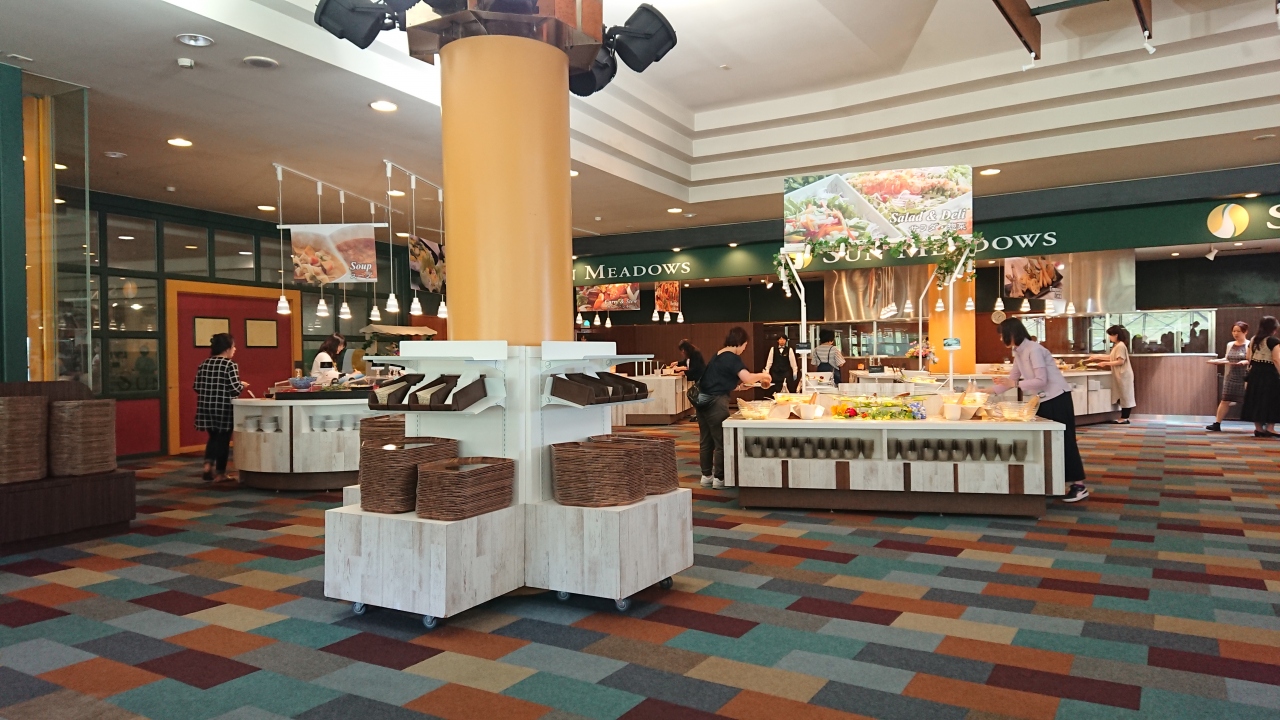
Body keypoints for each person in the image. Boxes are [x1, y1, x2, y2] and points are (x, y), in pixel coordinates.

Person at [991, 318, 1088, 502]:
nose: (1001, 339)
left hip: (1058, 398)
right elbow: (1012, 379)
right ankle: (1055, 482)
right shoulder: (1018, 351)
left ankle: (1079, 485)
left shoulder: (1034, 349)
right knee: (1048, 442)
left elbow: (1040, 380)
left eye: (1002, 335)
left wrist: (1014, 384)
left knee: (1064, 441)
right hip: (1043, 400)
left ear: (1012, 333)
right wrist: (985, 391)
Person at [694, 327, 771, 489]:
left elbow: (717, 381)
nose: (744, 349)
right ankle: (720, 478)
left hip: (701, 401)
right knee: (722, 440)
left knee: (706, 440)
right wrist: (764, 375)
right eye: (745, 346)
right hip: (716, 403)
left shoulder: (718, 355)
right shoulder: (732, 357)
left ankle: (706, 476)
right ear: (740, 342)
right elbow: (747, 377)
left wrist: (740, 388)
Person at [194, 333, 247, 483]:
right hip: (224, 408)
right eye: (233, 346)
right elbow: (234, 389)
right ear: (227, 348)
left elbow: (196, 386)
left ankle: (207, 465)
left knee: (213, 437)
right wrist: (242, 384)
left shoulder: (204, 364)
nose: (235, 349)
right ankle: (220, 473)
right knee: (223, 440)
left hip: (205, 407)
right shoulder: (229, 365)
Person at [1086, 325, 1136, 424]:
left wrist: (1105, 363)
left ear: (1116, 335)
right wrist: (1097, 357)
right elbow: (1112, 357)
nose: (1109, 337)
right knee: (1122, 394)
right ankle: (1123, 417)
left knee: (1126, 395)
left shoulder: (1120, 346)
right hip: (1120, 374)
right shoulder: (1117, 345)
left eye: (1110, 335)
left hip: (1124, 374)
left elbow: (1120, 361)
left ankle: (1124, 418)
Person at [1207, 321, 1250, 432]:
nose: (1236, 333)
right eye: (1234, 331)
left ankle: (1261, 424)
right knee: (1225, 400)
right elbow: (1227, 359)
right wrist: (1216, 361)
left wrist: (1245, 362)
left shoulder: (1249, 345)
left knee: (1250, 400)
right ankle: (1217, 423)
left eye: (1238, 331)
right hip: (1231, 376)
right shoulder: (1230, 344)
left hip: (1245, 377)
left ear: (1245, 332)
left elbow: (1251, 360)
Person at [1241, 315, 1280, 438]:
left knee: (1256, 399)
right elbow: (1276, 359)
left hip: (1255, 373)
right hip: (1269, 374)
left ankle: (1258, 429)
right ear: (1273, 328)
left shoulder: (1254, 339)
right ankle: (1270, 428)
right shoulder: (1273, 341)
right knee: (1272, 400)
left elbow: (1248, 357)